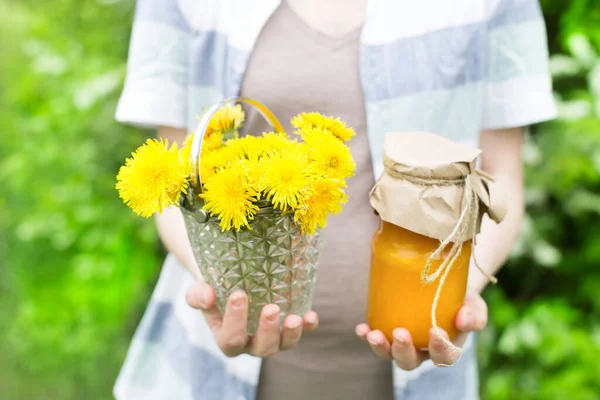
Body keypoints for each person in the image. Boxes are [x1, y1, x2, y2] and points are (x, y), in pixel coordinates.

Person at [114, 0, 556, 399]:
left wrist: (455, 297)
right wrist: (227, 293)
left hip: (422, 373)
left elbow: (499, 178)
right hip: (209, 367)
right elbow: (174, 182)